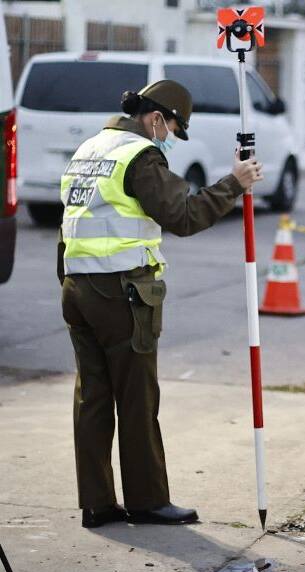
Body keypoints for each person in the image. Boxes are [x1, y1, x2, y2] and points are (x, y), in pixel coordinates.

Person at [58, 80, 263, 528]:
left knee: (92, 397)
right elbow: (184, 216)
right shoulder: (140, 156)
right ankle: (147, 501)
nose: (168, 137)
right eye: (171, 128)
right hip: (120, 291)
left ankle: (96, 503)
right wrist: (235, 183)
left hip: (77, 288)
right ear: (155, 119)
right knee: (136, 397)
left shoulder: (90, 149)